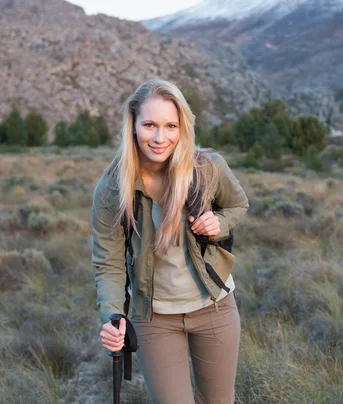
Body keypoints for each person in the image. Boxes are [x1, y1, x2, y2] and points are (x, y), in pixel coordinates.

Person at [91, 78, 249, 403]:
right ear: (133, 125)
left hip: (214, 307)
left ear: (183, 127)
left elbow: (237, 205)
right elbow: (107, 263)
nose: (160, 138)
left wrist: (218, 224)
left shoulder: (207, 168)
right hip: (153, 318)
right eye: (149, 124)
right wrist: (112, 316)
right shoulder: (112, 189)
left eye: (170, 125)